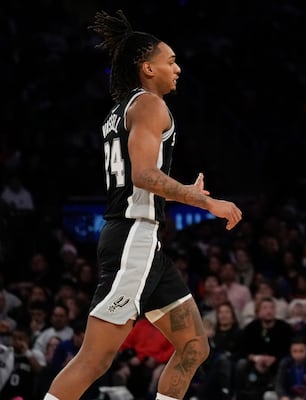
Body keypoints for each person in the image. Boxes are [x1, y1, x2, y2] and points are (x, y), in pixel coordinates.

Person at [43, 10, 242, 400]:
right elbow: (144, 176)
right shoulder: (150, 105)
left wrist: (183, 188)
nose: (178, 68)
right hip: (133, 239)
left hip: (143, 244)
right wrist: (203, 200)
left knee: (194, 346)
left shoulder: (122, 111)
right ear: (147, 68)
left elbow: (146, 176)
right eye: (170, 61)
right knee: (95, 359)